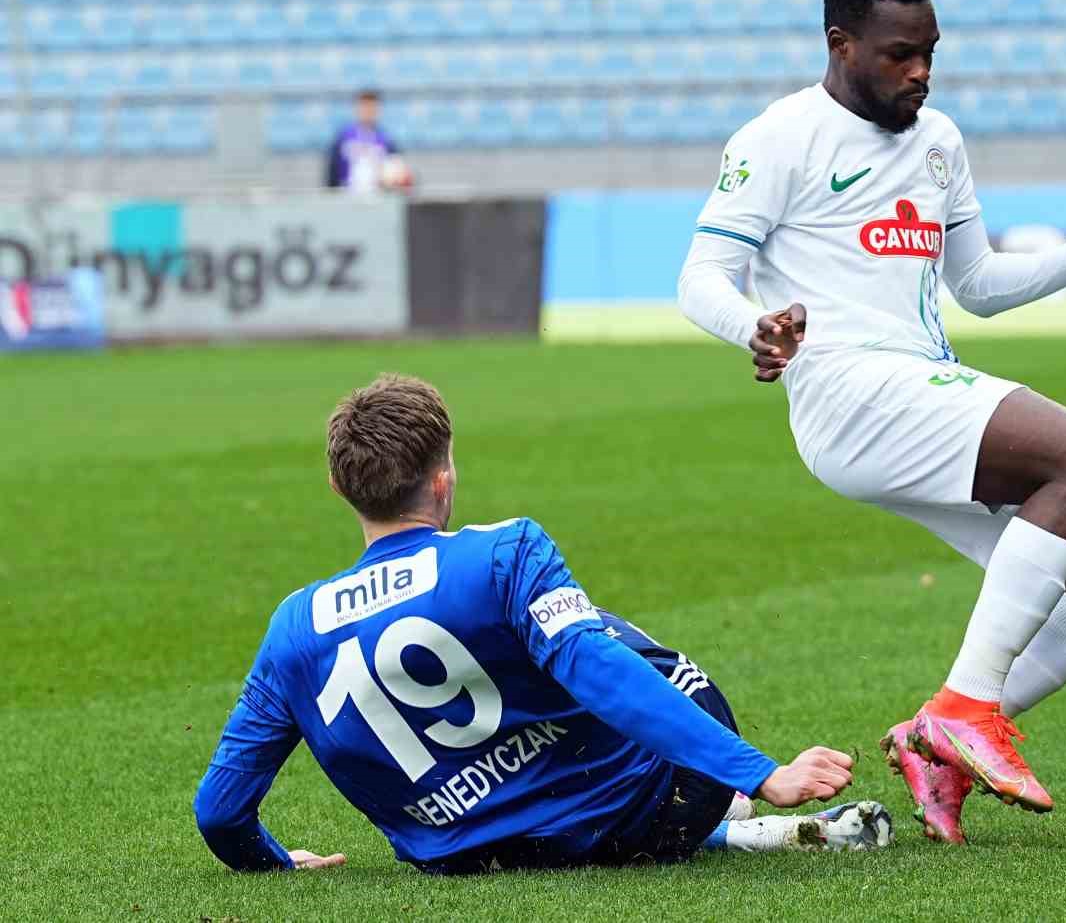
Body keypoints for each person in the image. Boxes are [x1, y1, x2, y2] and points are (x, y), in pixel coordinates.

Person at [676, 0, 1066, 845]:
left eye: (931, 51)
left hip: (913, 384)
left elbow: (975, 283)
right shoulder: (778, 137)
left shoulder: (938, 140)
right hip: (849, 390)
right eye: (901, 52)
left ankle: (935, 741)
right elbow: (701, 274)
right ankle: (965, 708)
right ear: (841, 43)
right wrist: (754, 328)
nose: (920, 70)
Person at [193, 374, 891, 875]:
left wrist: (274, 863)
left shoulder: (292, 626)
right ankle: (740, 804)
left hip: (474, 854)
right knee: (597, 640)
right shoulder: (504, 551)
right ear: (443, 480)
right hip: (643, 814)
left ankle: (742, 831)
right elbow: (599, 670)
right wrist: (763, 770)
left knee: (538, 647)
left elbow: (220, 814)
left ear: (339, 489)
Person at [325, 88, 403, 193]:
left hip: (377, 198)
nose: (368, 112)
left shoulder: (386, 140)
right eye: (364, 107)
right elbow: (332, 171)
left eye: (372, 108)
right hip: (347, 198)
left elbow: (395, 169)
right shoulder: (343, 137)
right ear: (357, 108)